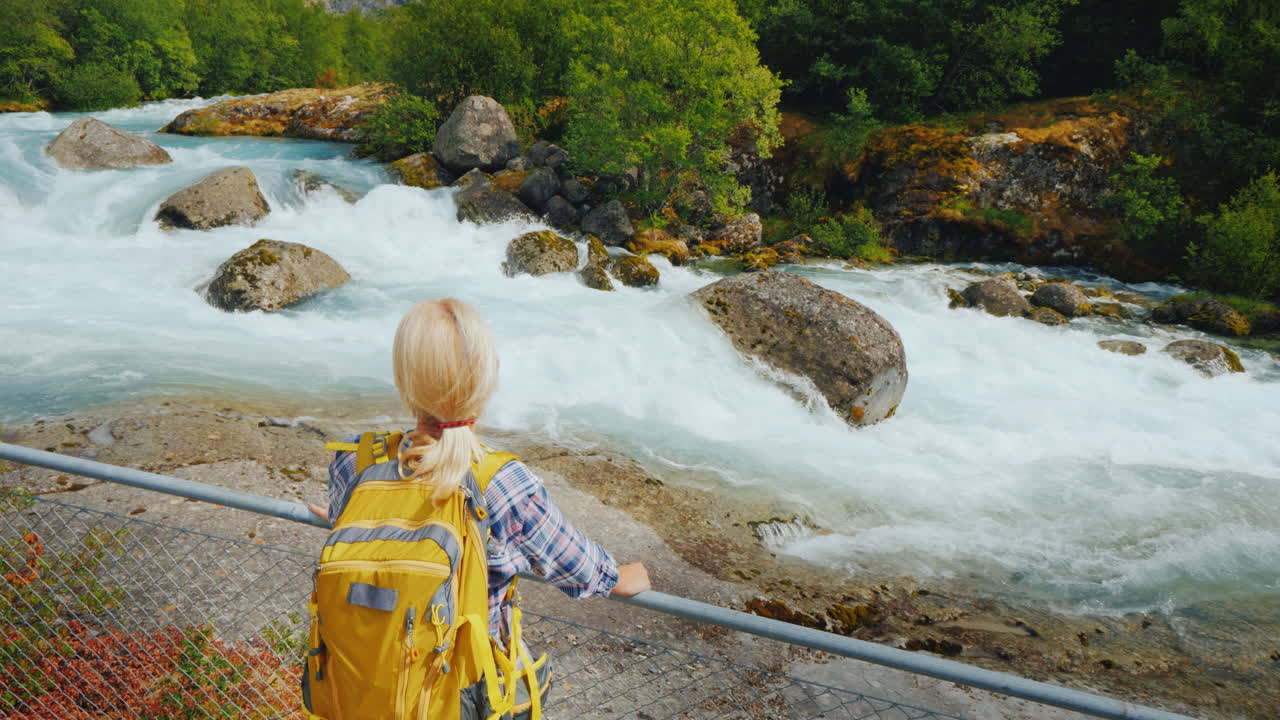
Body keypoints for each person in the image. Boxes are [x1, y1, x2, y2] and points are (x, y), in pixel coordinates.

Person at [306, 298, 650, 719]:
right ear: (487, 377)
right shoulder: (500, 480)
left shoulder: (355, 461)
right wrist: (626, 577)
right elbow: (582, 569)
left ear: (405, 378)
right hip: (461, 695)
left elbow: (360, 525)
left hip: (361, 684)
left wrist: (345, 521)